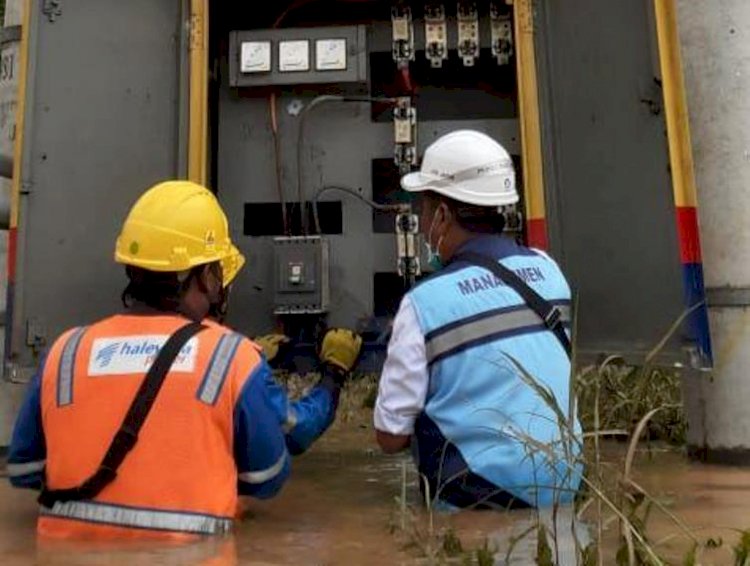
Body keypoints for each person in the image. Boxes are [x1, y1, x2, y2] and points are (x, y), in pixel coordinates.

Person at [7, 180, 362, 539]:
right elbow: (267, 477)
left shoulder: (64, 352)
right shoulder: (232, 359)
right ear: (208, 276)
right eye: (219, 273)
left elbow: (25, 471)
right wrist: (333, 374)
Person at [373, 130, 582, 509]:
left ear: (441, 215)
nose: (421, 224)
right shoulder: (549, 271)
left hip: (478, 498)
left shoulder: (423, 303)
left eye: (423, 210)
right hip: (565, 483)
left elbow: (390, 436)